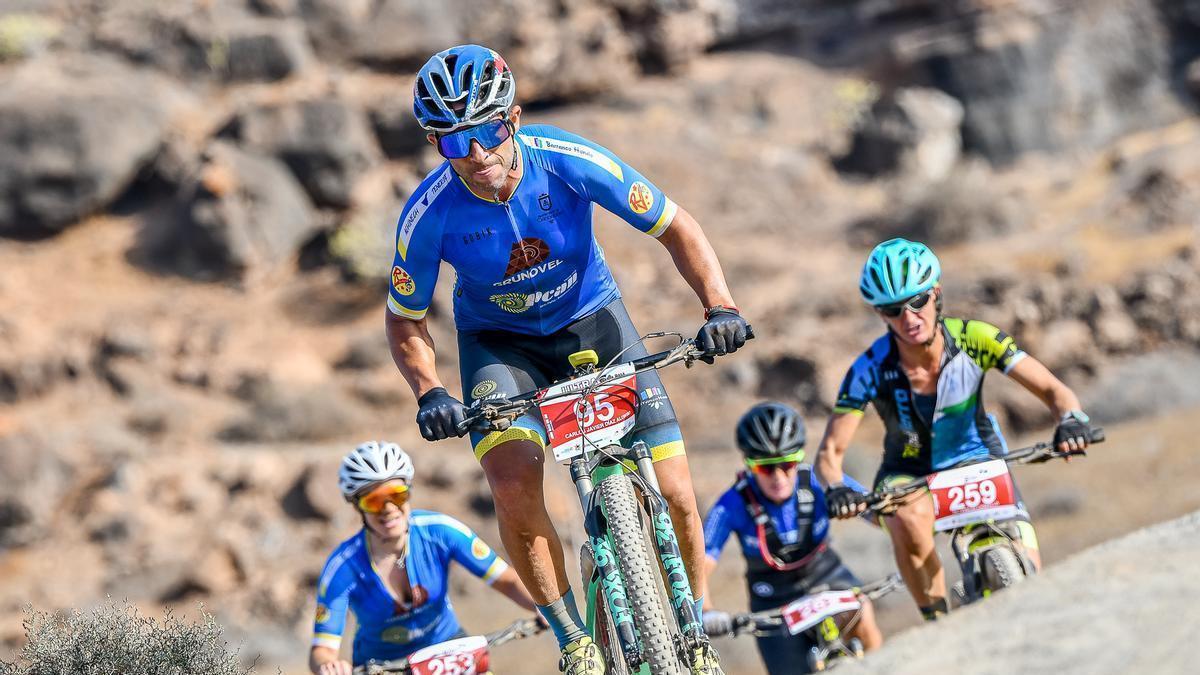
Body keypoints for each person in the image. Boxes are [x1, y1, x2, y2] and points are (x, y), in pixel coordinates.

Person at [385, 44, 747, 675]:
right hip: (501, 346)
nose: (477, 155)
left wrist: (720, 308)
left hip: (595, 320)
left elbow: (675, 226)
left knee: (679, 493)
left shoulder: (568, 160)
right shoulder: (427, 215)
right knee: (512, 480)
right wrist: (429, 392)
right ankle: (575, 640)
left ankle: (693, 628)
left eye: (489, 132)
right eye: (453, 143)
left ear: (515, 119)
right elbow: (405, 318)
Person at [815, 238, 1096, 620]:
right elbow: (829, 456)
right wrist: (838, 488)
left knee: (1033, 581)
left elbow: (1054, 391)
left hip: (978, 457)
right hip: (909, 472)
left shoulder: (976, 338)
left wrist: (1071, 419)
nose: (909, 317)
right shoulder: (868, 369)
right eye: (893, 309)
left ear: (936, 294)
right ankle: (938, 621)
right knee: (907, 520)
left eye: (918, 301)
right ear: (880, 314)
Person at [309, 441, 541, 675]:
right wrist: (329, 666)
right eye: (375, 500)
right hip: (382, 667)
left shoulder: (440, 530)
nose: (389, 508)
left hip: (449, 651)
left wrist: (546, 609)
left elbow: (506, 580)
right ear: (358, 507)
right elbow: (322, 651)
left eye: (396, 495)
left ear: (409, 492)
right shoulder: (342, 567)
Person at [699, 403, 882, 674]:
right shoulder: (731, 504)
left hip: (826, 575)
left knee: (862, 614)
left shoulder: (818, 479)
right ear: (749, 466)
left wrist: (855, 503)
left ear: (799, 459)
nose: (779, 477)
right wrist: (706, 611)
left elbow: (881, 515)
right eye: (766, 469)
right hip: (772, 596)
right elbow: (700, 561)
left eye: (787, 464)